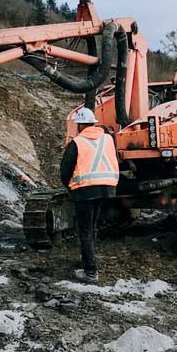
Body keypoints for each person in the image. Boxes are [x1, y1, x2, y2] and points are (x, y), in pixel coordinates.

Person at [59, 107, 119, 283]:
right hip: (107, 188)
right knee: (92, 227)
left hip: (85, 190)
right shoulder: (108, 139)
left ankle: (90, 271)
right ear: (93, 123)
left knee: (84, 230)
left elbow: (65, 170)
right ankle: (89, 260)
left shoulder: (77, 142)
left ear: (79, 126)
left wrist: (70, 187)